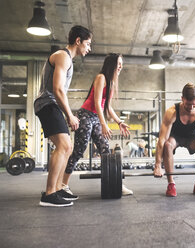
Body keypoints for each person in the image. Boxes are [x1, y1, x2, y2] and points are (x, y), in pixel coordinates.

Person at [34, 25, 92, 207]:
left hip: (53, 105)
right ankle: (49, 194)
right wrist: (69, 115)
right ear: (78, 41)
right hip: (47, 103)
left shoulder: (68, 60)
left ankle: (58, 189)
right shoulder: (62, 56)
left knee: (68, 147)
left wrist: (68, 113)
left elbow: (60, 92)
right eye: (88, 44)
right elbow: (58, 89)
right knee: (64, 145)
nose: (89, 48)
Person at [63, 53, 133, 196]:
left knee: (105, 150)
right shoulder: (101, 78)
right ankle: (63, 184)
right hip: (86, 115)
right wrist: (104, 123)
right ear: (111, 64)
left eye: (121, 64)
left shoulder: (112, 82)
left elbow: (107, 107)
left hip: (96, 117)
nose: (121, 66)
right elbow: (96, 102)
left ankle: (117, 184)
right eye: (118, 63)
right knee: (79, 150)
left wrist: (119, 122)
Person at [153, 83, 195, 197]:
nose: (191, 108)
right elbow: (162, 139)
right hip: (175, 137)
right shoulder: (172, 112)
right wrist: (158, 165)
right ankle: (171, 184)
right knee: (168, 145)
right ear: (182, 98)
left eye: (194, 104)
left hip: (192, 138)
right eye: (188, 104)